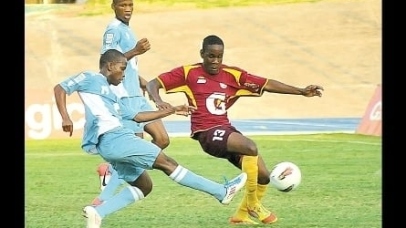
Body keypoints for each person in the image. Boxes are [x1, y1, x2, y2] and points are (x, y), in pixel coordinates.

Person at [53, 49, 248, 228]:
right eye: (122, 69)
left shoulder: (113, 96)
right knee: (168, 163)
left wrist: (172, 110)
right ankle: (222, 192)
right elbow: (60, 88)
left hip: (110, 145)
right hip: (115, 138)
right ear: (110, 65)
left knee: (144, 186)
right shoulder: (90, 77)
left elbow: (138, 116)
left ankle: (98, 212)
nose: (123, 75)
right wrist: (65, 117)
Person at [146, 35, 324, 225]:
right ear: (202, 54)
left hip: (226, 130)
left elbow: (267, 83)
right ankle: (254, 204)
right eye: (210, 56)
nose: (215, 61)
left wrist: (301, 91)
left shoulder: (233, 75)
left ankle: (240, 216)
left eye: (219, 57)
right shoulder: (188, 73)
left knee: (263, 176)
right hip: (206, 133)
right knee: (250, 146)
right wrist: (159, 101)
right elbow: (152, 84)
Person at [92, 0, 172, 204]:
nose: (127, 9)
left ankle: (110, 170)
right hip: (125, 99)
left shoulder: (128, 30)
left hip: (137, 95)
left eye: (130, 5)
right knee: (133, 150)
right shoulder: (113, 30)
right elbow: (107, 63)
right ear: (113, 6)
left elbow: (127, 67)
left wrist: (142, 82)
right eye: (122, 5)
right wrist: (135, 51)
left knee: (162, 140)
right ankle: (105, 195)